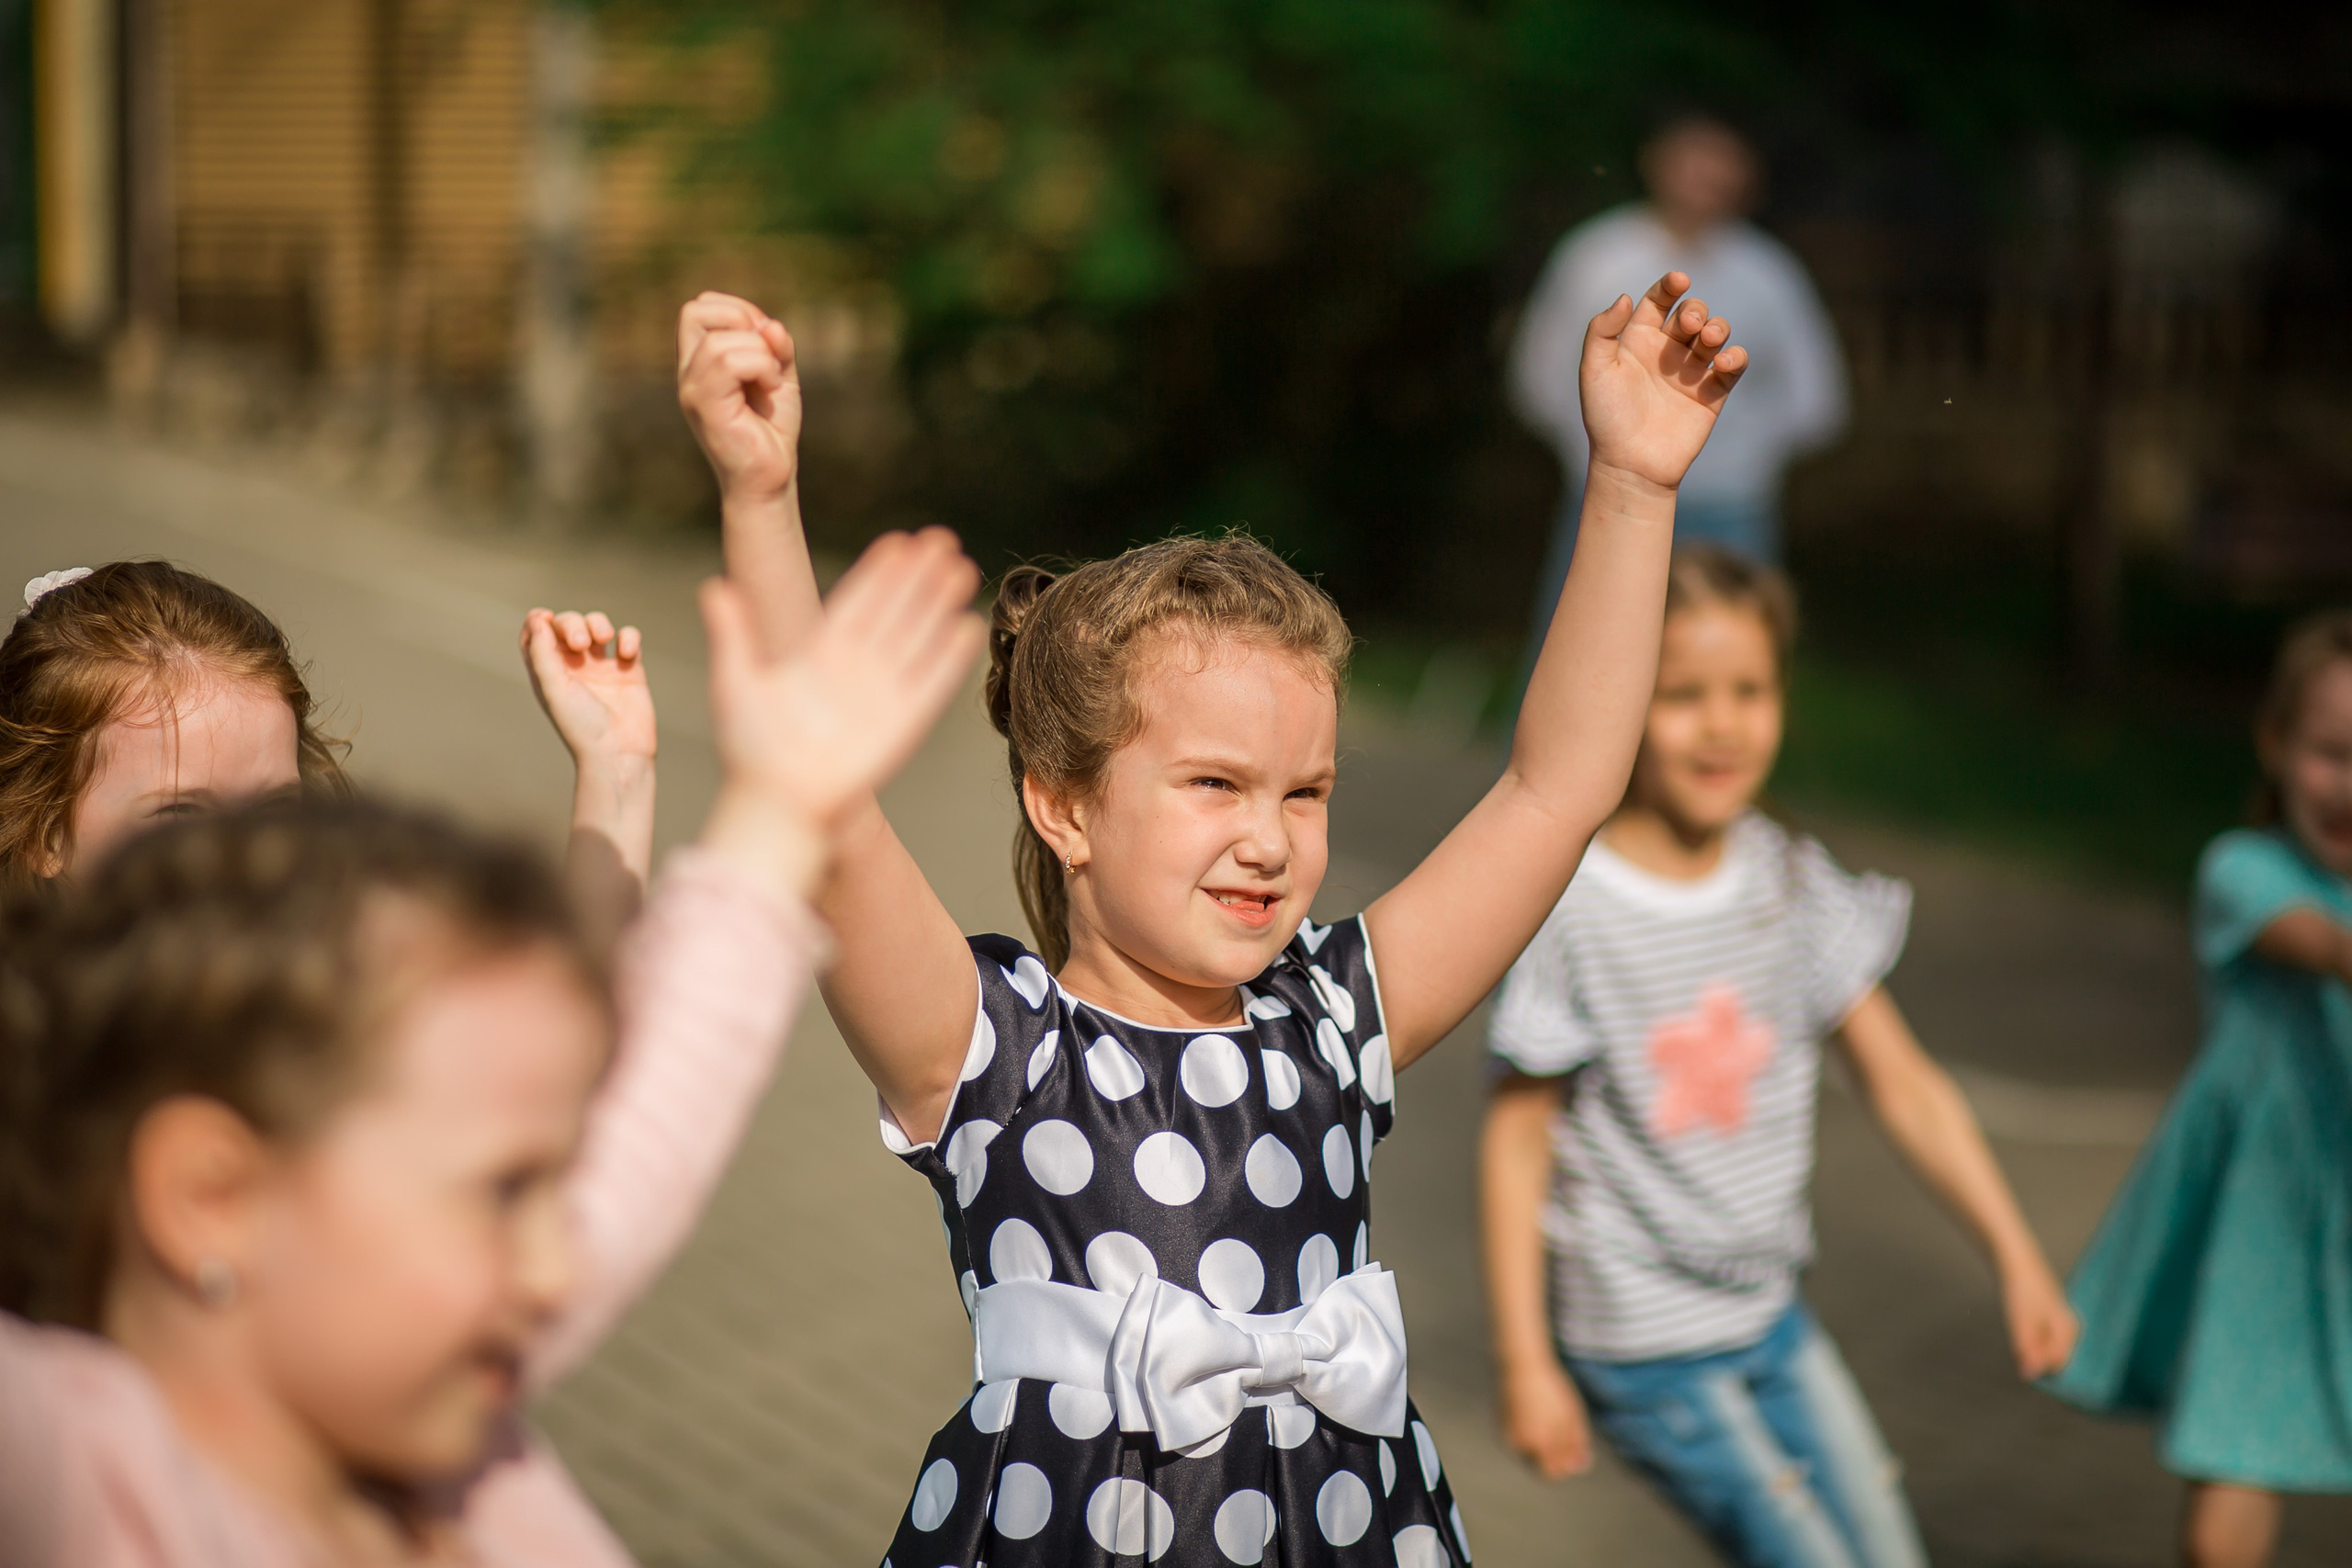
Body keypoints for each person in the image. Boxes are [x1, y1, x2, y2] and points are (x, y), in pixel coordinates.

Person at [675, 268, 1747, 1568]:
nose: (1269, 835)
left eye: (1307, 791)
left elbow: (1556, 787)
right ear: (1064, 805)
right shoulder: (996, 1051)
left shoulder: (1332, 1018)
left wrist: (1632, 486)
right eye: (1214, 784)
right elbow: (826, 813)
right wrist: (762, 496)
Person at [0, 527, 989, 1566]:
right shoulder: (89, 1471)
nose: (561, 1260)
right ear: (208, 1196)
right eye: (181, 822)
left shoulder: (422, 1383)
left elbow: (629, 1102)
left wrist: (756, 807)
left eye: (279, 815)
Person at [1478, 547, 2077, 1568]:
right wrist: (1525, 1360)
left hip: (1771, 1320)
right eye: (1681, 696)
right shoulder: (1570, 909)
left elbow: (1908, 1086)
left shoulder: (1790, 881)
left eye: (1749, 692)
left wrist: (2017, 1258)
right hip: (1644, 1346)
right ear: (1620, 705)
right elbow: (1516, 1141)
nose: (1722, 725)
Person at [2045, 610, 2352, 1568]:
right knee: (2231, 1486)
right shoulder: (2243, 871)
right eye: (2332, 752)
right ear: (2274, 743)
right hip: (2257, 1226)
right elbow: (2331, 950)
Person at [0, 561, 660, 935]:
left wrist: (616, 772)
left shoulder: (332, 1016)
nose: (249, 861)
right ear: (44, 830)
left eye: (274, 810)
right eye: (180, 817)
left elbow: (566, 1059)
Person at [1509, 114, 1846, 632]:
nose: (1705, 173)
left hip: (1731, 509)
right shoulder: (1595, 256)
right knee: (1582, 640)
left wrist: (1742, 458)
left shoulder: (1770, 275)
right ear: (1656, 162)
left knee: (1728, 650)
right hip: (1605, 491)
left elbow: (1817, 400)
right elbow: (1537, 375)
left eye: (1722, 157)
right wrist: (1598, 452)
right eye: (1693, 154)